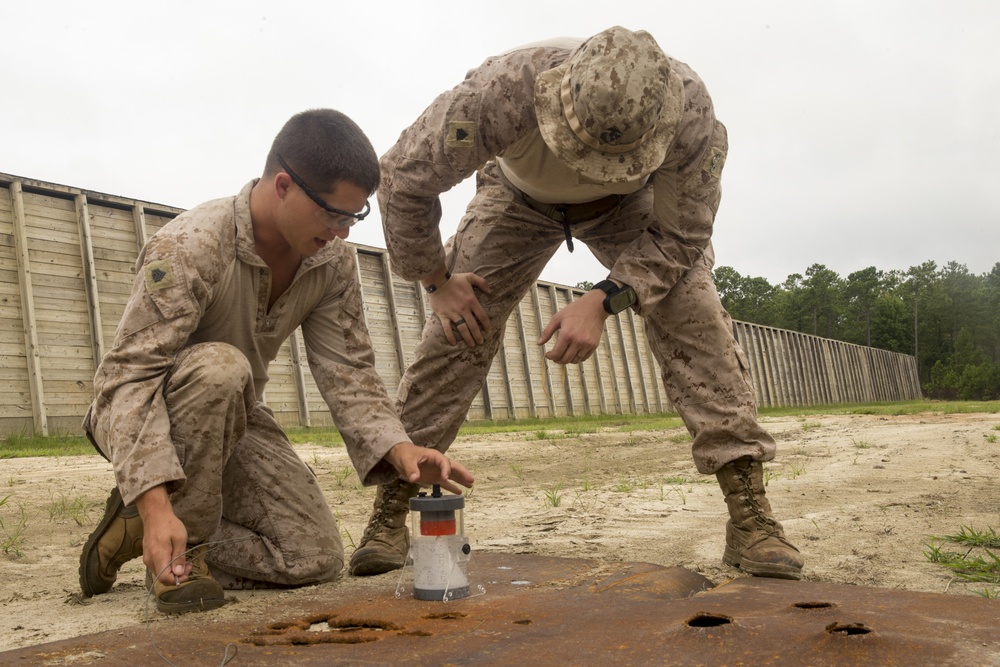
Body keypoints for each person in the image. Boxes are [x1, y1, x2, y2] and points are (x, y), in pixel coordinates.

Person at [350, 26, 802, 580]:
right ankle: (394, 507)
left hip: (628, 207)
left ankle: (750, 516)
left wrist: (605, 297)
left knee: (694, 312)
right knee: (459, 329)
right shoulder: (503, 89)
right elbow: (401, 177)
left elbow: (682, 236)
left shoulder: (691, 116)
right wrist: (436, 279)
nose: (589, 166)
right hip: (516, 197)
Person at [78, 109, 474, 614]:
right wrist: (157, 501)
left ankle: (139, 524)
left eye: (354, 217)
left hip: (235, 412)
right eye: (334, 214)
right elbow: (127, 381)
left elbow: (349, 368)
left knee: (311, 557)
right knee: (223, 367)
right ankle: (177, 546)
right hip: (144, 415)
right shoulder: (190, 246)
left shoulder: (330, 262)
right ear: (284, 185)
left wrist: (399, 450)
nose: (343, 232)